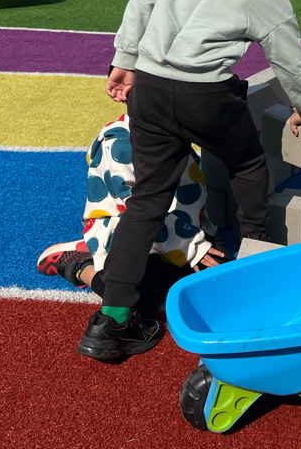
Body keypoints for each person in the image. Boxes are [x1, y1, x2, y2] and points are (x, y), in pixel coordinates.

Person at [77, 0, 301, 361]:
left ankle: (113, 321)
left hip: (148, 89)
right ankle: (253, 254)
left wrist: (125, 59)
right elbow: (291, 63)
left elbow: (142, 1)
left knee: (148, 198)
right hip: (205, 95)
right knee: (248, 165)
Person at [36, 114, 231, 317]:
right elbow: (138, 211)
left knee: (217, 276)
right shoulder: (118, 143)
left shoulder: (173, 126)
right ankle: (80, 265)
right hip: (130, 230)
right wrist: (192, 245)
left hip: (172, 230)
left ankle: (169, 258)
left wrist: (201, 232)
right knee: (137, 301)